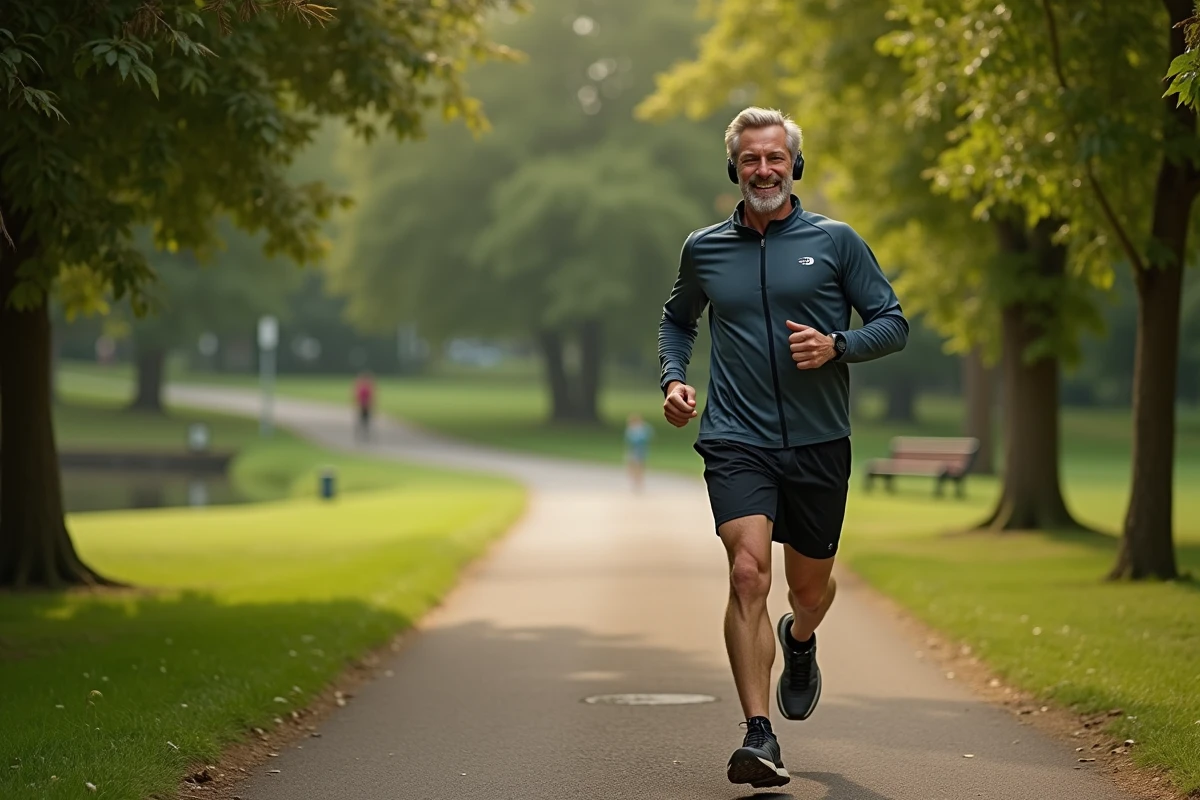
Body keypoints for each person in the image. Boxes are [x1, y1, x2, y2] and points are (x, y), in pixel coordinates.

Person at [657, 107, 908, 788]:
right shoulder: (703, 248)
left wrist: (839, 346)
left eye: (774, 158)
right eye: (749, 160)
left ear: (793, 165)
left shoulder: (836, 242)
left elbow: (893, 322)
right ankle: (758, 734)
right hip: (737, 438)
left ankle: (800, 640)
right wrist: (674, 379)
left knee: (809, 589)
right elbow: (677, 320)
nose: (762, 170)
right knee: (746, 573)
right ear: (733, 168)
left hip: (821, 443)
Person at [623, 413, 654, 492]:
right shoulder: (631, 429)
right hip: (632, 450)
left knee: (639, 466)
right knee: (631, 466)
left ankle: (638, 482)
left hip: (639, 450)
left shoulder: (642, 429)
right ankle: (634, 481)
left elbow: (647, 437)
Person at [353, 371, 376, 442]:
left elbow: (371, 397)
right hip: (363, 406)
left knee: (365, 421)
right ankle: (360, 435)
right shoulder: (362, 387)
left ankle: (364, 435)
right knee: (362, 421)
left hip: (367, 406)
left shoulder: (367, 387)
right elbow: (358, 396)